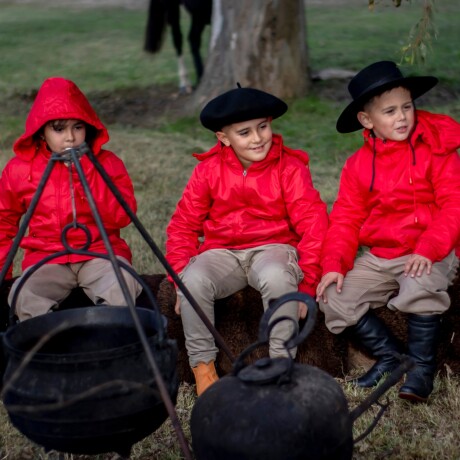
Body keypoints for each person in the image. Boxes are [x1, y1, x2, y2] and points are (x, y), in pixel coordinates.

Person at [166, 85, 328, 395]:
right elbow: (182, 226)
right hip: (221, 252)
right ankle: (203, 369)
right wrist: (178, 278)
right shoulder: (207, 172)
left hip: (273, 248)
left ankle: (281, 366)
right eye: (245, 132)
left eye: (263, 127)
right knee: (194, 279)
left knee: (277, 276)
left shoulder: (289, 168)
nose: (258, 138)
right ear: (224, 138)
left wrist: (306, 287)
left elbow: (314, 224)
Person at [316, 61, 460, 403]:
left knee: (420, 284)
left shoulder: (437, 148)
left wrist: (428, 248)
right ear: (367, 120)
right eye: (390, 111)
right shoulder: (358, 165)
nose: (402, 117)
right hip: (383, 255)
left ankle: (423, 368)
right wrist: (334, 263)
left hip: (432, 248)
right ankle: (392, 358)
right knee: (333, 296)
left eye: (407, 107)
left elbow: (454, 204)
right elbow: (347, 218)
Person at [0, 77, 142, 321]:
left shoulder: (106, 163)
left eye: (78, 127)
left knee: (122, 285)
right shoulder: (20, 169)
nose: (70, 138)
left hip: (100, 253)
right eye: (58, 129)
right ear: (41, 133)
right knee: (24, 295)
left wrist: (86, 168)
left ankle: (108, 347)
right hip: (46, 258)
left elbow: (121, 215)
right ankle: (51, 351)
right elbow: (3, 222)